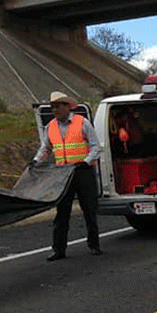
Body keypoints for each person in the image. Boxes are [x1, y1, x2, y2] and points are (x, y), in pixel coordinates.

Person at [33, 92, 102, 261]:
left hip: (82, 172)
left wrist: (85, 162)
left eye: (57, 106)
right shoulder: (50, 126)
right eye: (52, 107)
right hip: (62, 174)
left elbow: (96, 147)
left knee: (89, 210)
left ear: (67, 107)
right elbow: (46, 148)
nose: (54, 110)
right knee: (62, 212)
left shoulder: (82, 123)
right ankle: (58, 249)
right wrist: (35, 161)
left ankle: (94, 245)